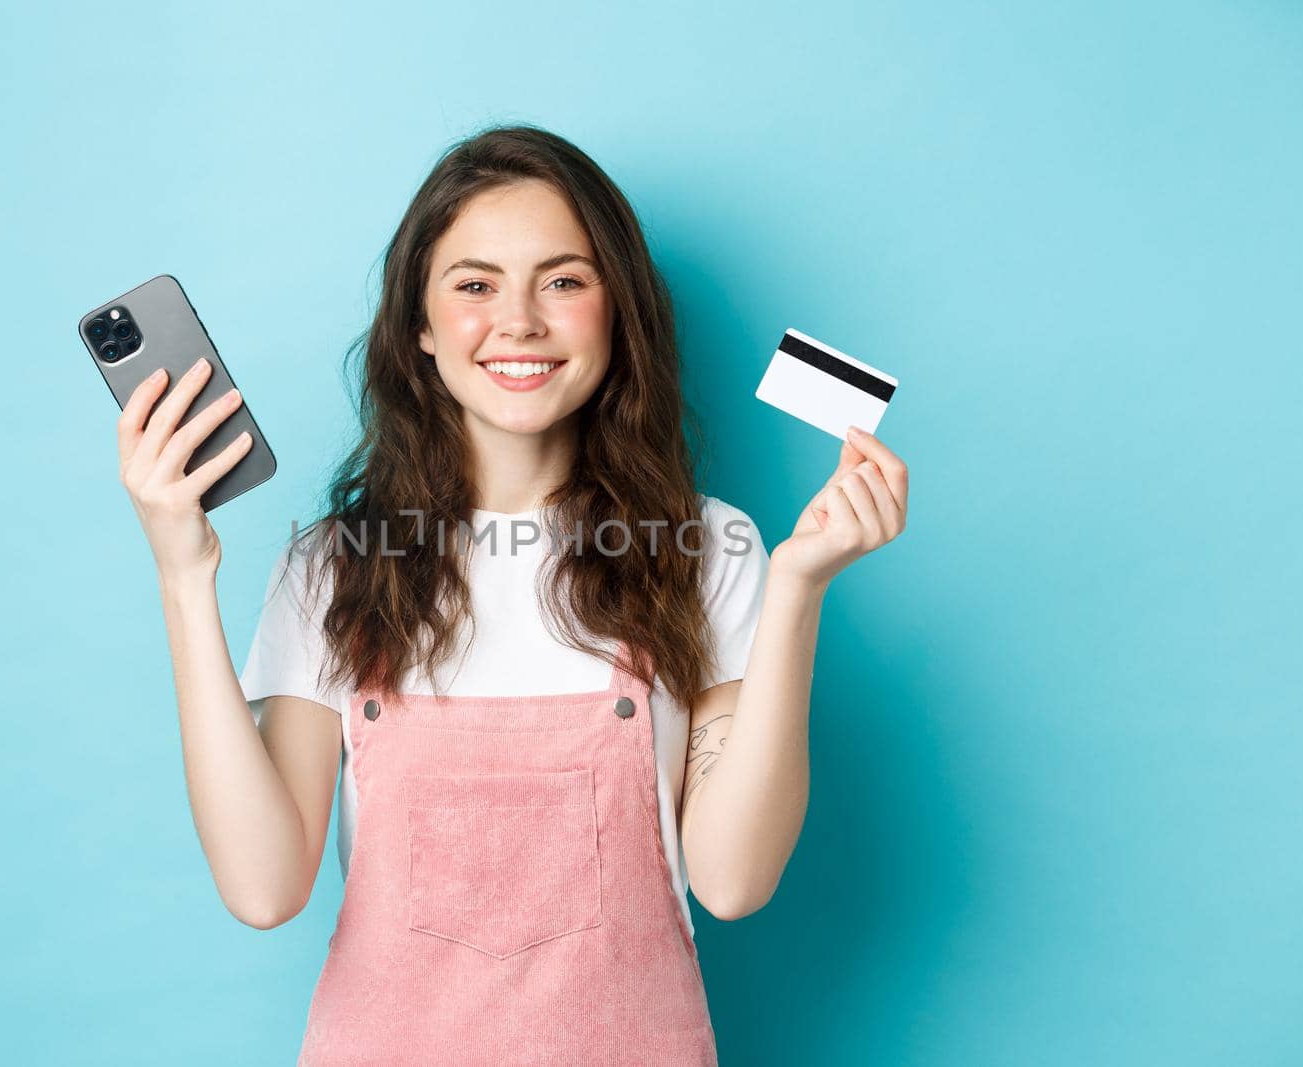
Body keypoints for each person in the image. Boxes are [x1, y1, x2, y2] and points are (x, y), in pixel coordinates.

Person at [114, 123, 910, 1065]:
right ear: (419, 325)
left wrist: (798, 590)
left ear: (619, 313)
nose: (521, 321)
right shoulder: (334, 564)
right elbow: (263, 886)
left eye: (565, 281)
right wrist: (182, 574)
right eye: (475, 284)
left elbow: (734, 880)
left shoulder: (712, 548)